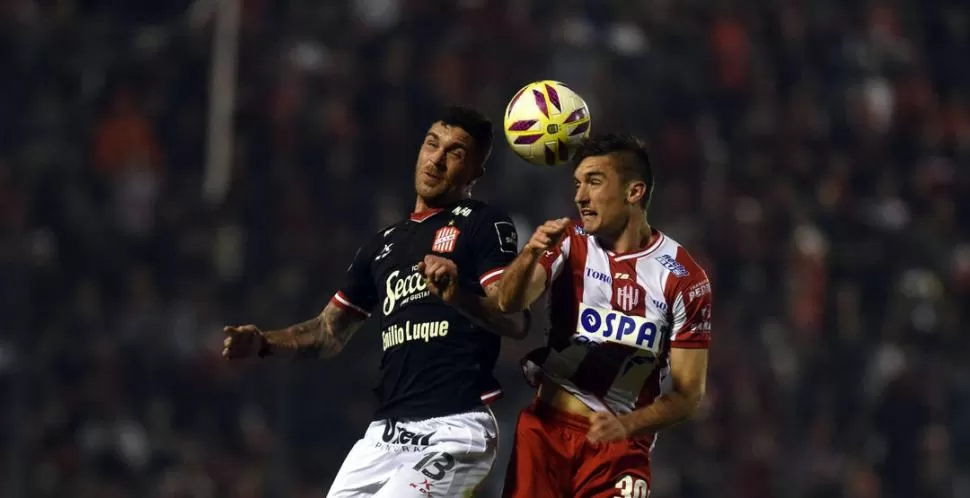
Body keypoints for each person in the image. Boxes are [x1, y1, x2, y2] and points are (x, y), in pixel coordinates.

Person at [222, 106, 530, 498]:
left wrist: (460, 297)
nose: (436, 159)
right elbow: (328, 332)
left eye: (454, 152)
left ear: (475, 172)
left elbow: (516, 320)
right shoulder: (381, 245)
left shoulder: (482, 223)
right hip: (383, 436)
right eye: (432, 144)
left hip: (455, 427)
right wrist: (265, 341)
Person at [495, 133, 713, 498]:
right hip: (545, 434)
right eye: (578, 184)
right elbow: (509, 302)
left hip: (621, 450)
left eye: (594, 182)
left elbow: (688, 395)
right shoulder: (568, 241)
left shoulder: (684, 278)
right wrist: (531, 252)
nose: (580, 196)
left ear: (634, 192)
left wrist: (628, 424)